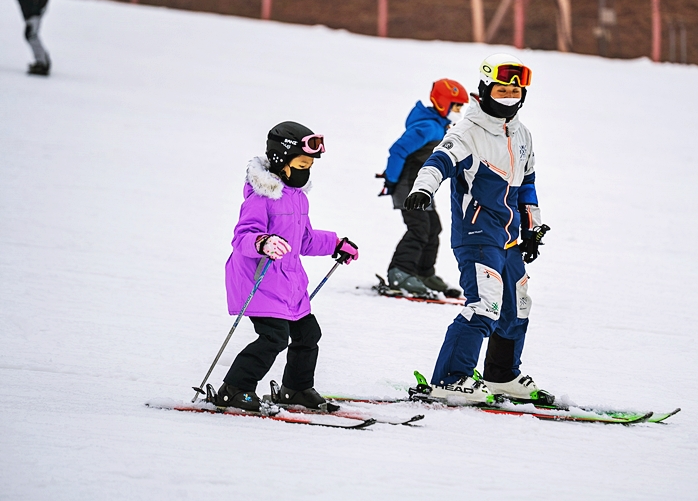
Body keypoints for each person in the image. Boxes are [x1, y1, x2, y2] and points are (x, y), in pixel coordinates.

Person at [404, 53, 552, 404]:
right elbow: (438, 161)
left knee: (517, 306)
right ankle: (449, 380)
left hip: (510, 237)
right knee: (484, 305)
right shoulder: (467, 132)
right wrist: (423, 188)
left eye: (515, 91)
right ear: (484, 90)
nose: (508, 96)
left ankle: (501, 375)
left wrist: (532, 228)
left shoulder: (522, 135)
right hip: (477, 235)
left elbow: (526, 184)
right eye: (501, 89)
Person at [211, 121, 359, 412]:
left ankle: (296, 389)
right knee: (273, 337)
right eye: (302, 164)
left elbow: (303, 240)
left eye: (309, 166)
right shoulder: (260, 197)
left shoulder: (299, 198)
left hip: (288, 284)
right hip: (258, 282)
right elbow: (242, 237)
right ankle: (234, 389)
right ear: (281, 161)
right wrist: (262, 242)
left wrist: (335, 244)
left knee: (308, 334)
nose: (306, 171)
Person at [379, 79, 469, 296]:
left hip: (422, 188)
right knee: (419, 228)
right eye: (456, 106)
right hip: (407, 185)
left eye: (460, 107)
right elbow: (398, 150)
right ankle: (400, 272)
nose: (459, 112)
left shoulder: (439, 126)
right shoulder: (428, 127)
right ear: (442, 103)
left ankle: (422, 272)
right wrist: (390, 180)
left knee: (433, 228)